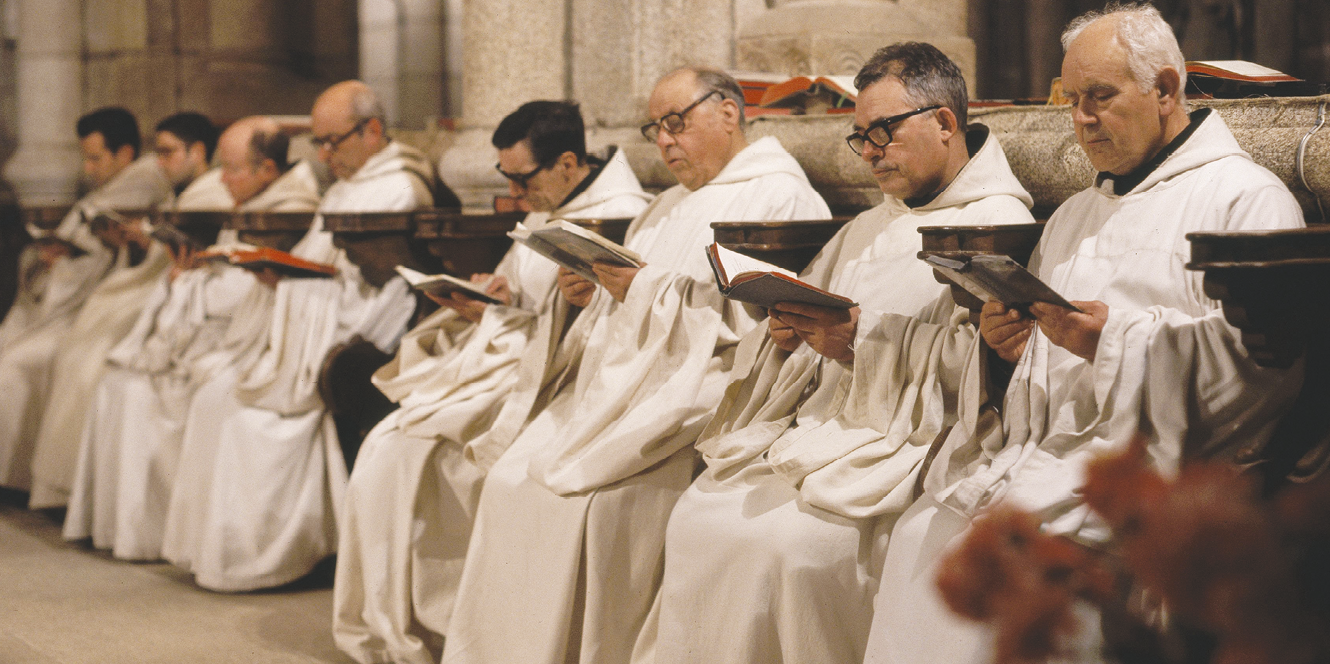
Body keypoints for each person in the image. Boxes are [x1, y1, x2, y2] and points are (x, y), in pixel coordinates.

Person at [863, 3, 1305, 664]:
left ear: (1165, 90)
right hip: (1046, 457)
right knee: (913, 536)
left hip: (1145, 478)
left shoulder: (1247, 199)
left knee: (986, 601)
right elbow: (1042, 357)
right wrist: (1011, 343)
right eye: (1072, 100)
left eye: (1099, 96)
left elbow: (1262, 371)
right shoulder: (1074, 214)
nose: (1081, 119)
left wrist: (1109, 341)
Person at [640, 43, 1035, 664]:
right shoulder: (873, 223)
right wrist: (787, 335)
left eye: (883, 130)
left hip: (904, 444)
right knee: (700, 513)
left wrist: (859, 342)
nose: (871, 151)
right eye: (860, 136)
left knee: (791, 550)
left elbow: (991, 365)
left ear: (945, 122)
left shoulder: (992, 224)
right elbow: (817, 318)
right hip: (827, 429)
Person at [441, 68, 832, 664]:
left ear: (729, 113)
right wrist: (593, 292)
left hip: (704, 386)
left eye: (677, 123)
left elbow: (758, 324)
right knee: (507, 481)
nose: (666, 141)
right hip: (628, 382)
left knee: (584, 507)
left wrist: (641, 289)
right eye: (656, 129)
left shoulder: (780, 194)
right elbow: (631, 302)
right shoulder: (665, 206)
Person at [332, 101, 653, 664]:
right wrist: (487, 298)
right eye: (505, 174)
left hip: (557, 382)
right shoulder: (549, 203)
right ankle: (410, 621)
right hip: (514, 363)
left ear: (569, 162)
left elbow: (604, 331)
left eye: (520, 176)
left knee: (404, 456)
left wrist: (504, 316)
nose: (512, 189)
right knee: (386, 444)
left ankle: (444, 621)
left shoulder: (618, 215)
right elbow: (524, 296)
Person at [161, 81, 436, 591]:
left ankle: (277, 557)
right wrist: (280, 277)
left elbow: (381, 297)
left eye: (333, 141)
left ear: (372, 130)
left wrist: (294, 285)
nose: (324, 154)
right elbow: (316, 264)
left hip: (350, 339)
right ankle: (211, 554)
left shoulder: (398, 187)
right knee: (214, 398)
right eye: (319, 143)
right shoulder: (344, 186)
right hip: (313, 325)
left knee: (246, 419)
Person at [63, 117, 321, 558]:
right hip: (218, 332)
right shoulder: (252, 202)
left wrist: (189, 280)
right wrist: (188, 273)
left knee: (143, 394)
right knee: (117, 384)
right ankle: (128, 532)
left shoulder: (287, 210)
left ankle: (175, 538)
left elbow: (239, 294)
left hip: (244, 340)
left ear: (268, 170)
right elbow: (223, 275)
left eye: (234, 168)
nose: (223, 179)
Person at [0, 107, 172, 491]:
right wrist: (53, 256)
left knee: (16, 365)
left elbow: (129, 261)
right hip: (67, 303)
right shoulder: (105, 192)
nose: (88, 168)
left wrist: (76, 256)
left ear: (125, 154)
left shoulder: (143, 186)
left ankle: (15, 478)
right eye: (85, 157)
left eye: (96, 157)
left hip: (98, 308)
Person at [28, 112, 232, 508]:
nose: (160, 162)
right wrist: (137, 240)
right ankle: (70, 488)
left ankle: (86, 493)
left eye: (168, 152)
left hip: (182, 301)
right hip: (160, 289)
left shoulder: (212, 195)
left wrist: (149, 243)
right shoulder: (184, 193)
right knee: (78, 354)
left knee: (91, 364)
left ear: (199, 151)